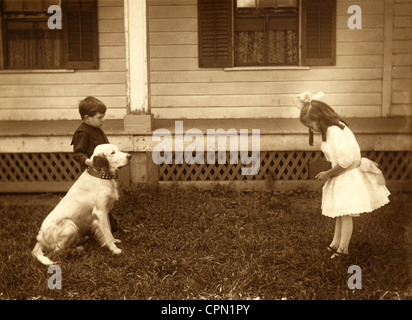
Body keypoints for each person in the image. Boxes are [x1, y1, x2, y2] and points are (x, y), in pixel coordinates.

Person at [295, 92, 390, 258]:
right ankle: (335, 243)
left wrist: (327, 173)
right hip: (341, 173)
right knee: (340, 212)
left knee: (345, 214)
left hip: (347, 175)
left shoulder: (335, 132)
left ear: (319, 119)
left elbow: (345, 161)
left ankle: (343, 249)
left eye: (311, 126)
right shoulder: (332, 128)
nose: (312, 130)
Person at [71, 96, 121, 232]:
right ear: (87, 118)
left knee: (105, 199)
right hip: (93, 174)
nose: (103, 120)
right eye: (100, 117)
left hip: (102, 171)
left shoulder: (96, 127)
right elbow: (78, 154)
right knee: (98, 201)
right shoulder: (82, 133)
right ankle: (91, 227)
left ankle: (111, 226)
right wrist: (91, 163)